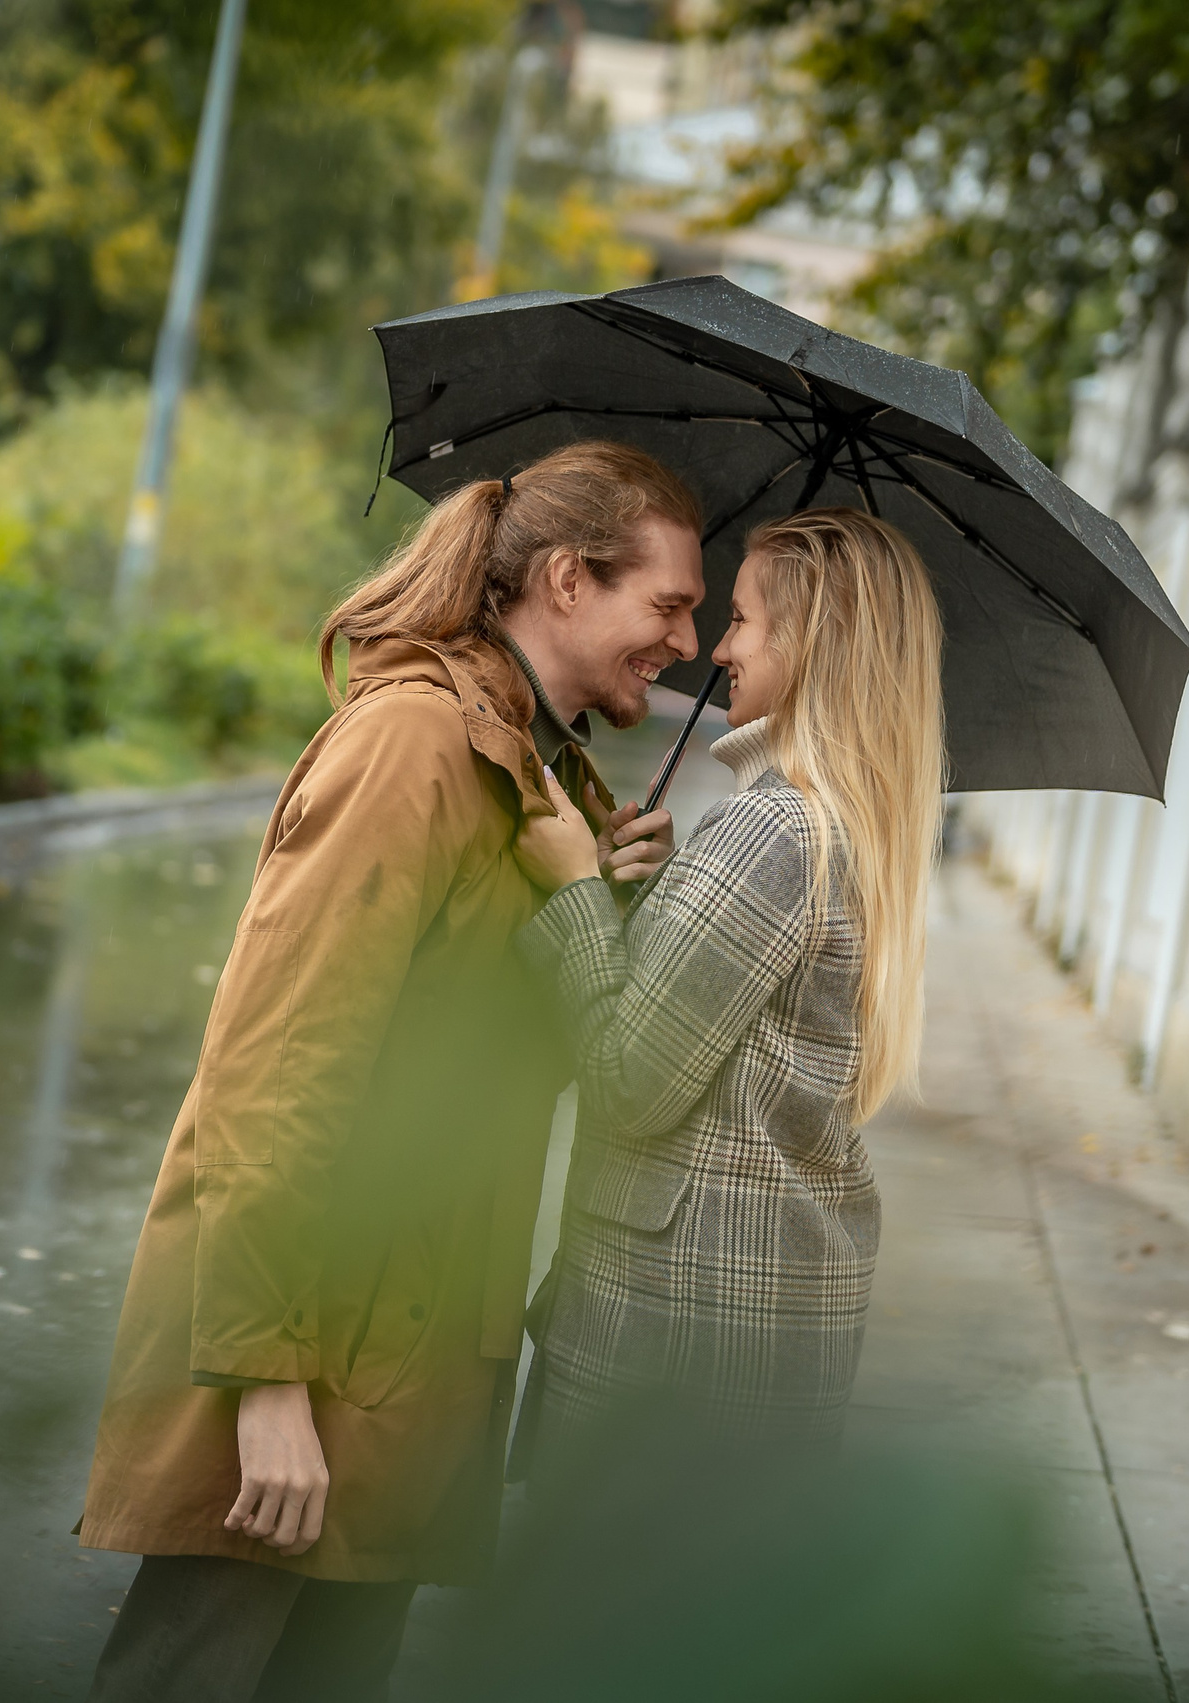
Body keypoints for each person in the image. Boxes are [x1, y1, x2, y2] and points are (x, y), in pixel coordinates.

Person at [77, 440, 703, 1701]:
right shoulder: (414, 745)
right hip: (315, 1357)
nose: (684, 642)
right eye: (670, 604)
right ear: (569, 581)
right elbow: (276, 1063)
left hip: (411, 1365)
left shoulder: (535, 772)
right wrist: (261, 1382)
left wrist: (600, 909)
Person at [510, 507, 946, 1459]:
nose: (718, 646)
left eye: (743, 618)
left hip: (681, 1332)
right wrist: (667, 893)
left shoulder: (775, 828)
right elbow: (739, 1027)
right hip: (756, 1314)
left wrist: (576, 888)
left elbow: (630, 1080)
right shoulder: (837, 822)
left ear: (811, 641)